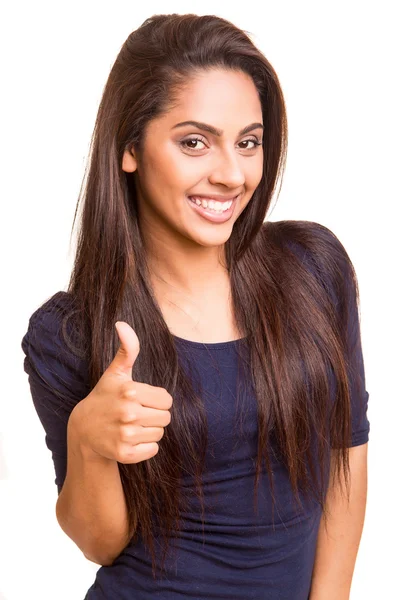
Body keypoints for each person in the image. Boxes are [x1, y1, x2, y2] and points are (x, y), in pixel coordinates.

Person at [21, 12, 370, 600]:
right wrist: (89, 439)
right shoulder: (70, 332)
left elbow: (346, 460)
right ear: (130, 147)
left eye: (249, 142)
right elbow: (101, 543)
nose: (232, 174)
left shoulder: (314, 270)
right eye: (194, 142)